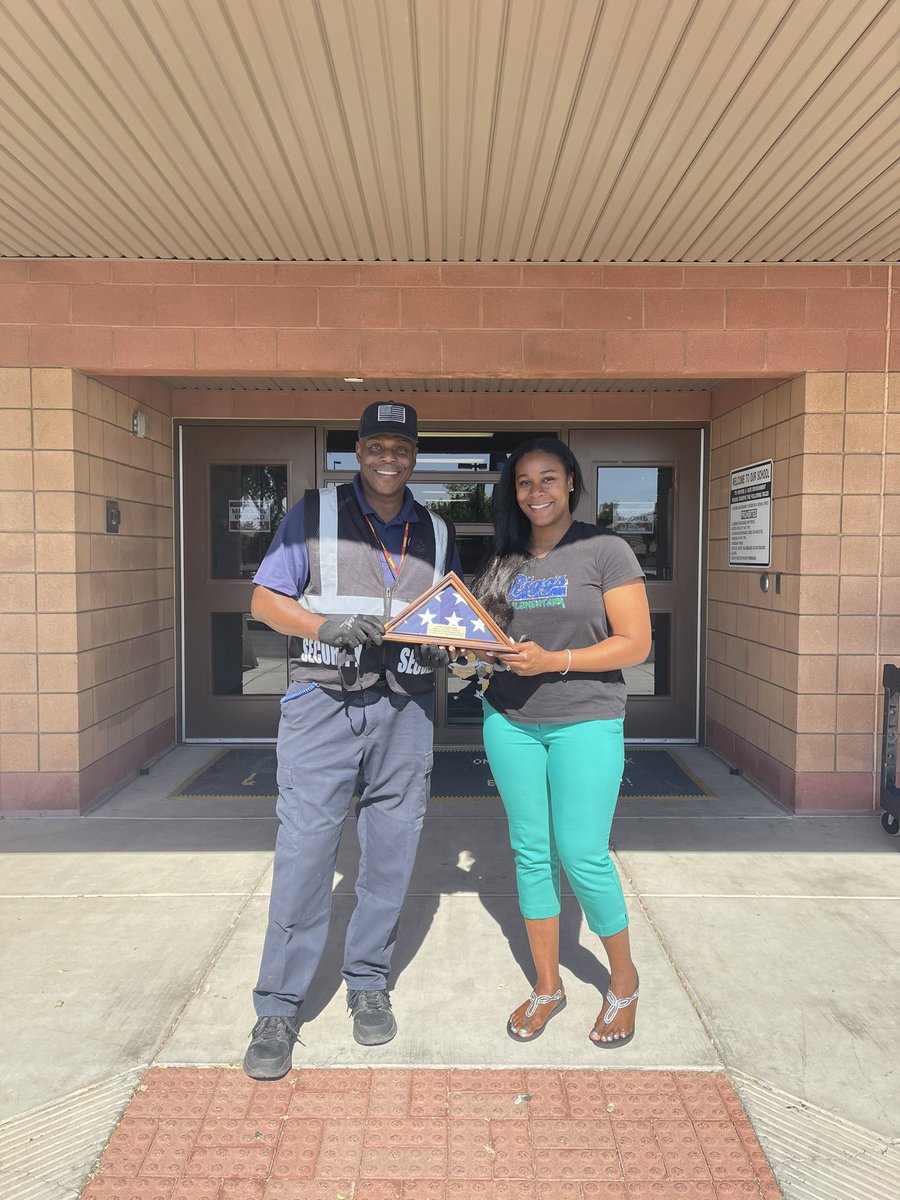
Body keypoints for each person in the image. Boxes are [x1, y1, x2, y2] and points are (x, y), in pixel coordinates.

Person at [243, 400, 459, 1080]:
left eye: (400, 446)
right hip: (323, 703)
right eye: (375, 445)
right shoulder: (315, 513)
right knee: (306, 853)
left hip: (406, 713)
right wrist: (319, 627)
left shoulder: (440, 530)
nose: (387, 457)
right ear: (357, 450)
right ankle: (278, 1006)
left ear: (414, 453)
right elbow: (263, 599)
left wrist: (443, 654)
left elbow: (443, 624)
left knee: (392, 852)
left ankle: (368, 979)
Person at [472, 437, 651, 1047]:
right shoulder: (506, 559)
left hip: (586, 719)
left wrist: (556, 660)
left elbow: (634, 643)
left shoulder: (605, 549)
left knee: (582, 853)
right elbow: (488, 635)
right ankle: (548, 987)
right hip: (511, 722)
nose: (537, 492)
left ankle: (622, 981)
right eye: (524, 482)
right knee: (531, 853)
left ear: (571, 482)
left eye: (548, 479)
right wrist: (463, 643)